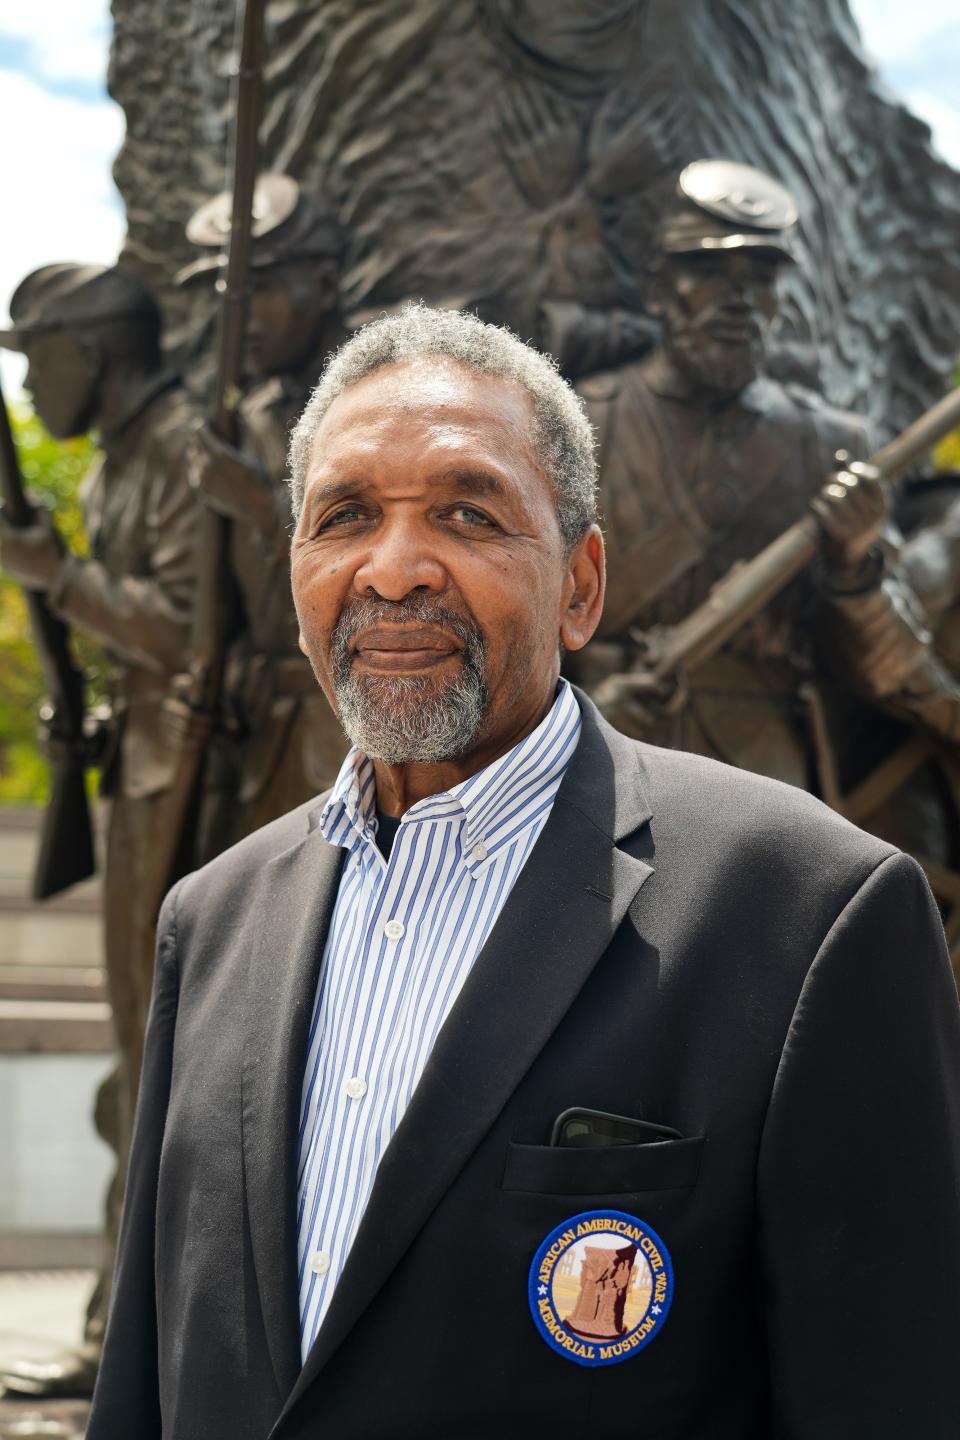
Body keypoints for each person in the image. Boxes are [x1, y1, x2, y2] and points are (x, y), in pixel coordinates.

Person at [86, 306, 960, 1440]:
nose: (393, 571)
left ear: (582, 586)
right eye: (343, 516)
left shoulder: (810, 914)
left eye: (467, 511)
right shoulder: (209, 922)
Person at [0, 263, 203, 1399]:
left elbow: (180, 628)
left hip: (181, 786)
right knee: (136, 1060)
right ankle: (117, 1333)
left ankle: (131, 1346)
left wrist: (56, 578)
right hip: (134, 772)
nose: (31, 383)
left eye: (39, 355)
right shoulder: (122, 460)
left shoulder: (171, 448)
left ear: (94, 349)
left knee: (156, 1060)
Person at [178, 174, 350, 848]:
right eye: (227, 297)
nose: (240, 318)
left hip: (363, 734)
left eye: (264, 290)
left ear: (328, 284)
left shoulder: (384, 402)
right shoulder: (244, 420)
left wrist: (259, 506)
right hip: (261, 743)